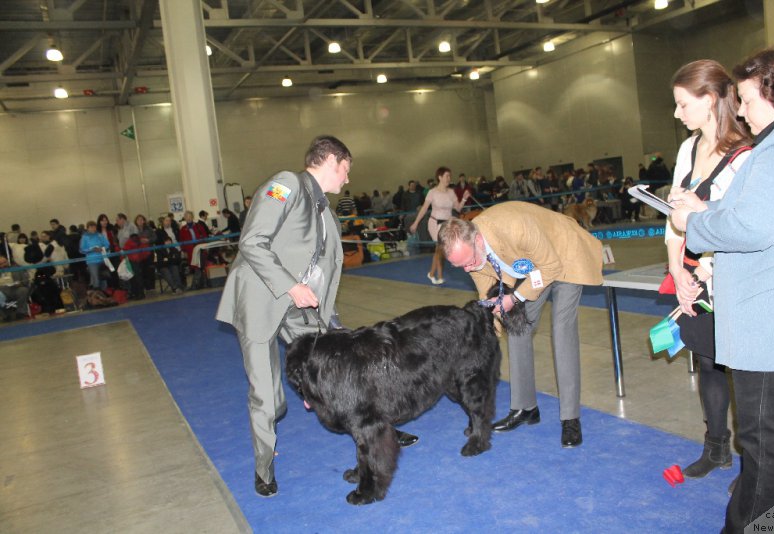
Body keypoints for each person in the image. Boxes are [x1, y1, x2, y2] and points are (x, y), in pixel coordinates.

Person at [216, 136, 418, 498]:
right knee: (270, 400)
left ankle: (378, 427)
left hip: (301, 306)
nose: (348, 178)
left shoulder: (326, 211)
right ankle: (264, 468)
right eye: (347, 169)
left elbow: (322, 272)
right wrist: (291, 286)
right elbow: (252, 241)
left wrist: (330, 322)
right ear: (330, 160)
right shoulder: (285, 185)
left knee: (350, 363)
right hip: (262, 301)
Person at [670, 46, 774, 533]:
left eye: (745, 98)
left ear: (771, 93)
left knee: (767, 445)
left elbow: (754, 226)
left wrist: (696, 222)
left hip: (770, 327)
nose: (740, 109)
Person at [438, 202, 603, 447]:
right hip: (533, 267)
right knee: (517, 328)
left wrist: (514, 298)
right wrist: (490, 333)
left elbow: (551, 267)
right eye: (460, 266)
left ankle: (570, 418)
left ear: (479, 241)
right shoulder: (469, 254)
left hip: (563, 256)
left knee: (561, 330)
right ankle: (526, 408)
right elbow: (488, 296)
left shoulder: (516, 228)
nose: (468, 268)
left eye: (469, 262)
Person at [665, 59, 752, 480]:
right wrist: (678, 272)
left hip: (731, 282)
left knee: (747, 375)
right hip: (692, 279)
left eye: (683, 104)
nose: (677, 113)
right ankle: (716, 446)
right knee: (708, 362)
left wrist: (705, 275)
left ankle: (755, 465)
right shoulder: (687, 148)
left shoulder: (745, 154)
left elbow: (742, 226)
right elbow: (675, 215)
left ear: (711, 100)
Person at [409, 167, 471, 285]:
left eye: (449, 176)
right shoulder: (432, 192)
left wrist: (464, 198)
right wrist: (416, 223)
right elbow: (424, 209)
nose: (449, 178)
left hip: (447, 224)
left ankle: (434, 274)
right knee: (440, 248)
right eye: (447, 176)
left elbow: (458, 208)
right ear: (440, 177)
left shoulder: (451, 192)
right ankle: (436, 274)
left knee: (441, 250)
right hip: (434, 223)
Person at [179, 210, 209, 289]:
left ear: (192, 217)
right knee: (196, 267)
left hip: (201, 249)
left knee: (201, 266)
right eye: (186, 217)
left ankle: (197, 284)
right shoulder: (182, 229)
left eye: (189, 216)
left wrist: (205, 246)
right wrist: (184, 251)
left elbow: (205, 236)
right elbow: (181, 241)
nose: (188, 218)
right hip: (190, 251)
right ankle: (198, 284)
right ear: (185, 218)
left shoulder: (199, 226)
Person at [80, 221, 110, 290]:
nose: (93, 228)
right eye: (91, 227)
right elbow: (82, 250)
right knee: (95, 279)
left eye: (94, 227)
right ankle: (96, 296)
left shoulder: (100, 235)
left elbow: (107, 245)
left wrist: (102, 248)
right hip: (92, 261)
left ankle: (104, 295)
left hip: (102, 259)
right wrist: (91, 250)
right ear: (87, 228)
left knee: (104, 278)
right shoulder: (84, 237)